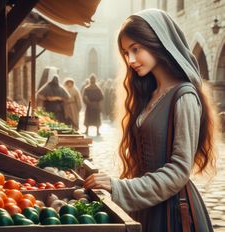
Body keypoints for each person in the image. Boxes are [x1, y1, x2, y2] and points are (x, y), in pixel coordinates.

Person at [83, 9, 217, 232]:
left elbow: (179, 171)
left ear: (158, 43)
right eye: (126, 52)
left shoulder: (184, 96)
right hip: (144, 205)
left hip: (172, 213)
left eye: (136, 49)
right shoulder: (149, 94)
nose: (131, 59)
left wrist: (119, 188)